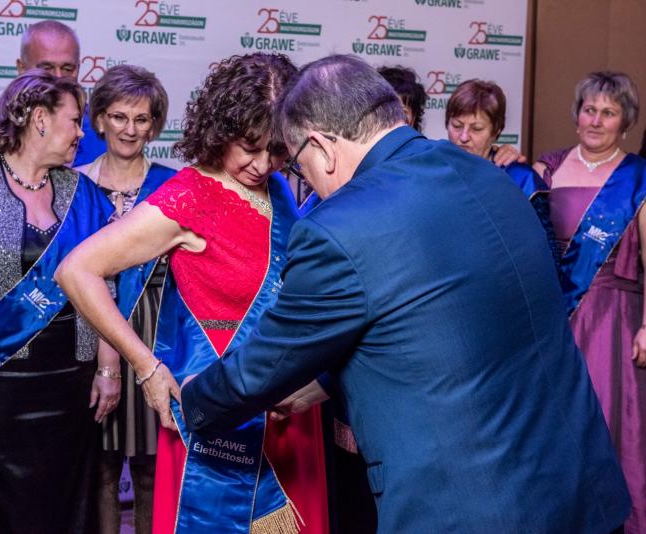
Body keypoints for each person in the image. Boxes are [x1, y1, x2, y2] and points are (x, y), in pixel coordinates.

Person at [179, 54, 632, 533]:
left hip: (470, 511)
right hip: (581, 491)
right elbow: (440, 318)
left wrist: (193, 401)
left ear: (322, 146)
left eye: (299, 165)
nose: (305, 181)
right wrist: (323, 382)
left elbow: (264, 367)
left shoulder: (339, 227)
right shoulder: (487, 175)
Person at [57, 53, 329, 534]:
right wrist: (146, 367)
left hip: (290, 411)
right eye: (250, 147)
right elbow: (77, 271)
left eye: (277, 150)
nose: (263, 164)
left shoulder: (278, 189)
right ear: (223, 128)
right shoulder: (189, 196)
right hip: (221, 416)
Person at [0, 70, 115, 534]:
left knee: (64, 499)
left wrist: (108, 368)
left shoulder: (85, 195)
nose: (82, 134)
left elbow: (107, 286)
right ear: (39, 119)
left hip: (71, 381)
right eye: (74, 121)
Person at [534, 71, 645, 534]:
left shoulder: (638, 177)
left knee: (607, 425)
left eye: (609, 112)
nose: (596, 120)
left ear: (625, 122)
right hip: (553, 321)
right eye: (589, 109)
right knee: (551, 427)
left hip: (612, 324)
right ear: (577, 114)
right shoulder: (546, 168)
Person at [74, 64, 174, 534]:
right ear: (99, 120)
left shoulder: (173, 185)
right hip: (90, 331)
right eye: (118, 117)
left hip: (156, 335)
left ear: (154, 126)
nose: (129, 129)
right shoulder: (73, 184)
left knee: (154, 468)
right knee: (101, 467)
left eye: (141, 119)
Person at [0, 20, 105, 169]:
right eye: (46, 68)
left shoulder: (104, 129)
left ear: (78, 68)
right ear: (21, 68)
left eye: (67, 68)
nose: (58, 77)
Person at [446, 79, 557, 260]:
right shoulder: (433, 171)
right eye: (457, 126)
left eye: (476, 128)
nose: (463, 137)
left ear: (496, 131)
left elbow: (546, 253)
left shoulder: (520, 180)